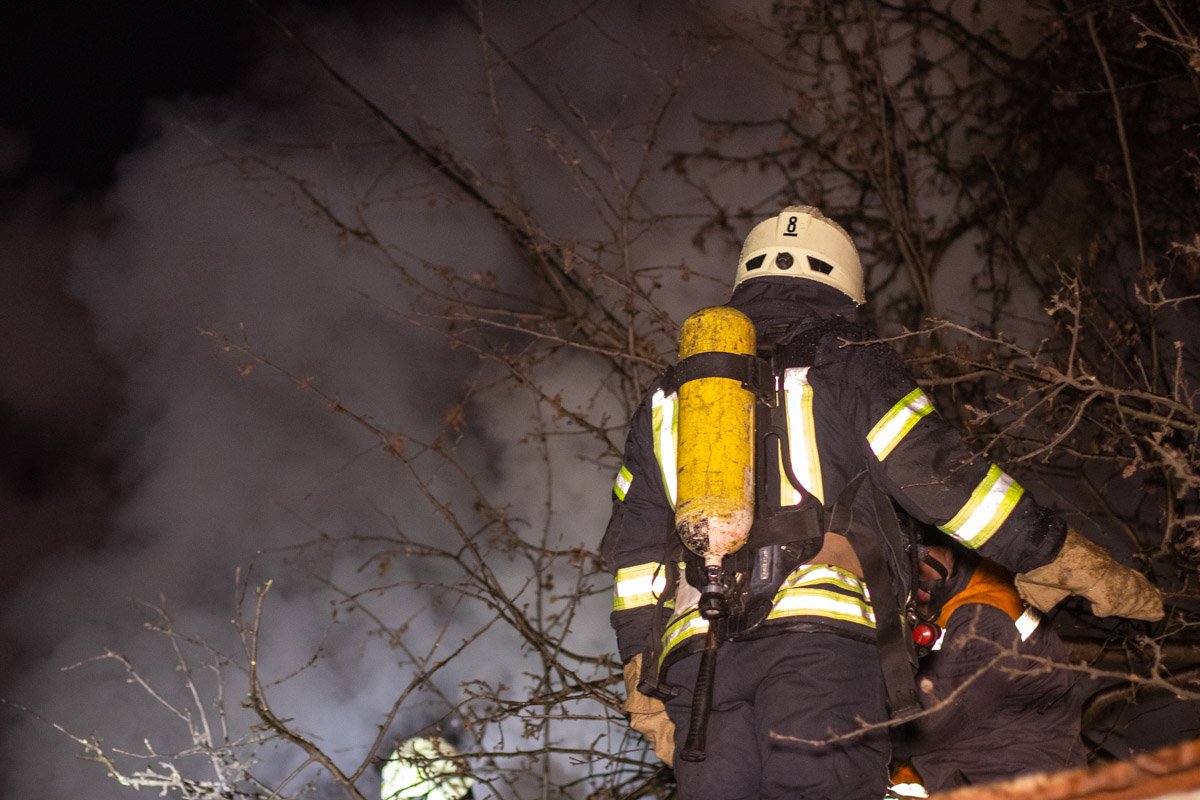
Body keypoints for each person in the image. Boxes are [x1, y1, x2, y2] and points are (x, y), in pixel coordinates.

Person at [601, 205, 1163, 800]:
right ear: (843, 285)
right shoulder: (847, 360)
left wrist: (642, 671)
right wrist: (1054, 551)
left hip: (701, 662)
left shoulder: (673, 393)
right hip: (818, 649)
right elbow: (940, 476)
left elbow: (636, 554)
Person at [891, 528, 1087, 793]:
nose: (916, 588)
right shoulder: (962, 601)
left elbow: (928, 725)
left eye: (917, 569)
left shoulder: (984, 616)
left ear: (947, 550)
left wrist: (846, 731)